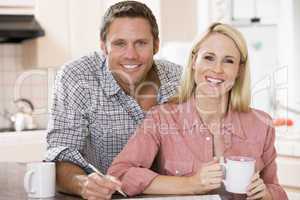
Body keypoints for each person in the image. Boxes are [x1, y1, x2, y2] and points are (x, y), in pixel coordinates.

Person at [108, 22, 288, 200]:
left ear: (239, 70)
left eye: (228, 61)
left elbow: (277, 190)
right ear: (194, 61)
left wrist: (266, 194)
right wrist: (191, 184)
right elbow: (119, 174)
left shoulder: (261, 124)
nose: (217, 69)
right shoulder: (162, 118)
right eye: (209, 57)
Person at [45, 1, 182, 199]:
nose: (131, 55)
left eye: (141, 43)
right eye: (119, 43)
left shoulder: (177, 78)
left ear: (156, 45)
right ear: (103, 45)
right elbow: (60, 153)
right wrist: (83, 184)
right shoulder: (77, 77)